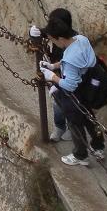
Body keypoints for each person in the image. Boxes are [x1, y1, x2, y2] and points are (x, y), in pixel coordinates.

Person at [40, 15, 106, 166]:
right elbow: (73, 62)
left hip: (76, 93)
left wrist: (51, 76)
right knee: (90, 119)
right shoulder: (81, 39)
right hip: (90, 86)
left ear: (61, 39)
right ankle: (98, 147)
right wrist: (54, 66)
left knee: (75, 123)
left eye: (53, 39)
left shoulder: (70, 58)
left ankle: (81, 155)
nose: (53, 42)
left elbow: (69, 84)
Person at [30, 8, 75, 141]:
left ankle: (72, 129)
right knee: (57, 104)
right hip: (58, 76)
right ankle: (60, 127)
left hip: (68, 80)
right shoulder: (57, 34)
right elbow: (45, 33)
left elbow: (69, 68)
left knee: (70, 105)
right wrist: (34, 32)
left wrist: (57, 82)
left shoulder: (73, 45)